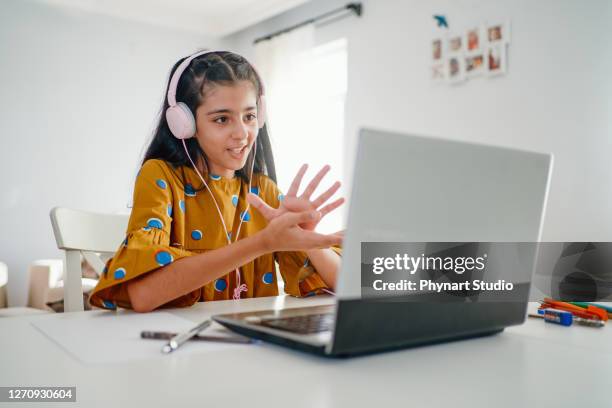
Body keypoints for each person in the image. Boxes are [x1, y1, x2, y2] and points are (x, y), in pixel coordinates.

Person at [89, 50, 344, 312]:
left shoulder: (262, 190)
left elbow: (356, 287)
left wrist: (309, 239)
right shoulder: (161, 176)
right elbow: (142, 295)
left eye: (249, 116)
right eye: (222, 119)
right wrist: (262, 243)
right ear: (184, 123)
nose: (242, 133)